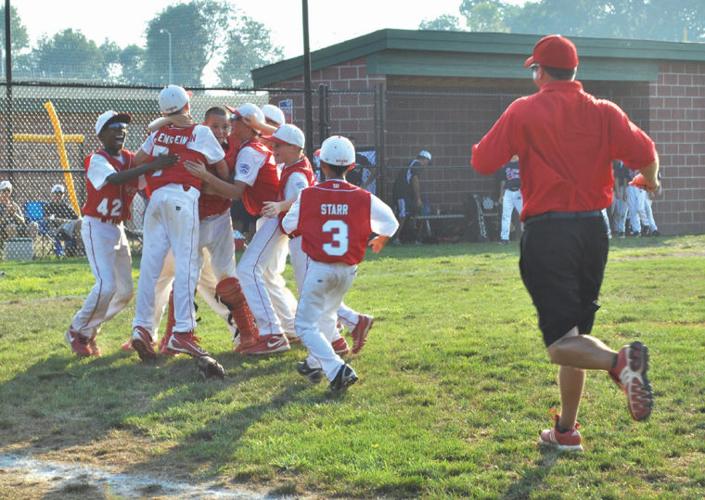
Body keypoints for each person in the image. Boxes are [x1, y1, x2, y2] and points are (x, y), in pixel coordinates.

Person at [471, 34, 657, 451]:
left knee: (560, 346)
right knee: (577, 339)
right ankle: (566, 431)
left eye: (534, 68)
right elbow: (645, 152)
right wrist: (653, 179)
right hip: (595, 230)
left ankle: (620, 363)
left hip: (549, 231)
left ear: (540, 71)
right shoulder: (604, 110)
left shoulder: (524, 109)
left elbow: (483, 161)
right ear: (576, 71)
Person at [282, 135, 398, 392]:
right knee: (327, 316)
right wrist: (381, 239)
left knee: (303, 324)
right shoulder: (363, 196)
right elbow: (391, 222)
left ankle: (336, 368)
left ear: (321, 164)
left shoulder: (309, 194)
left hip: (320, 267)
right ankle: (315, 364)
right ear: (352, 167)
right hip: (348, 270)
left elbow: (287, 225)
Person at [129, 85, 228, 369]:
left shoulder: (157, 132)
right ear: (187, 106)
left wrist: (165, 133)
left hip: (156, 200)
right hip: (182, 198)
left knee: (150, 267)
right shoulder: (201, 131)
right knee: (187, 264)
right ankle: (183, 331)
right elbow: (222, 170)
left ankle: (141, 328)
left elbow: (138, 161)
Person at [65, 110, 177, 357]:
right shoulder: (96, 158)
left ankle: (88, 331)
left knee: (124, 292)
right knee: (105, 285)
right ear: (101, 133)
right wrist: (150, 165)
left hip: (117, 228)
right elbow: (114, 179)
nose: (120, 130)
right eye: (113, 126)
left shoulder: (130, 159)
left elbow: (145, 183)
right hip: (96, 226)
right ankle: (77, 330)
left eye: (123, 126)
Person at [184, 103, 292, 355]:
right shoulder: (242, 144)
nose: (229, 125)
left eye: (234, 119)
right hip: (273, 216)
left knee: (251, 272)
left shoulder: (250, 151)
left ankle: (273, 334)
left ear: (247, 124)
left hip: (276, 216)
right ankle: (290, 330)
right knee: (267, 277)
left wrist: (206, 178)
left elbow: (234, 192)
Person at [261, 125, 375, 355]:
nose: (274, 148)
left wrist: (281, 206)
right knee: (315, 296)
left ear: (294, 148)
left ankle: (353, 323)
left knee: (312, 296)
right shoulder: (294, 165)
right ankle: (338, 339)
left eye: (279, 145)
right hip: (307, 237)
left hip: (305, 239)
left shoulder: (296, 173)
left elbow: (301, 198)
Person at [392, 150, 431, 244]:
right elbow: (414, 179)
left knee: (412, 214)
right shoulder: (417, 164)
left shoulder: (411, 163)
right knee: (402, 215)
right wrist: (418, 198)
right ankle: (395, 238)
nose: (426, 165)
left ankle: (413, 238)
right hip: (402, 193)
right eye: (427, 162)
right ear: (425, 159)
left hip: (406, 194)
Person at [45, 184, 80, 257]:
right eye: (56, 194)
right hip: (55, 229)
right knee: (74, 223)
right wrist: (63, 221)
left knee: (80, 222)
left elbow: (77, 218)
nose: (58, 196)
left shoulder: (67, 206)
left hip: (69, 227)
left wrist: (64, 221)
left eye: (60, 194)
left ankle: (80, 249)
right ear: (52, 194)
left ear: (63, 195)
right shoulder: (48, 206)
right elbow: (47, 219)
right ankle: (79, 249)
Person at [0, 180, 38, 244]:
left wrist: (14, 214)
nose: (6, 193)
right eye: (4, 191)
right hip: (4, 229)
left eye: (8, 191)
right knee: (11, 227)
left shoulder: (14, 205)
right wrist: (7, 212)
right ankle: (14, 250)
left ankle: (30, 250)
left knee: (34, 225)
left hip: (18, 227)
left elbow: (23, 220)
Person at [497, 155, 522, 244]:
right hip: (508, 192)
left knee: (523, 215)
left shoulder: (522, 163)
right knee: (505, 215)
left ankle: (529, 236)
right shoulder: (505, 165)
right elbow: (503, 181)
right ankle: (505, 238)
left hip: (519, 191)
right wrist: (501, 195)